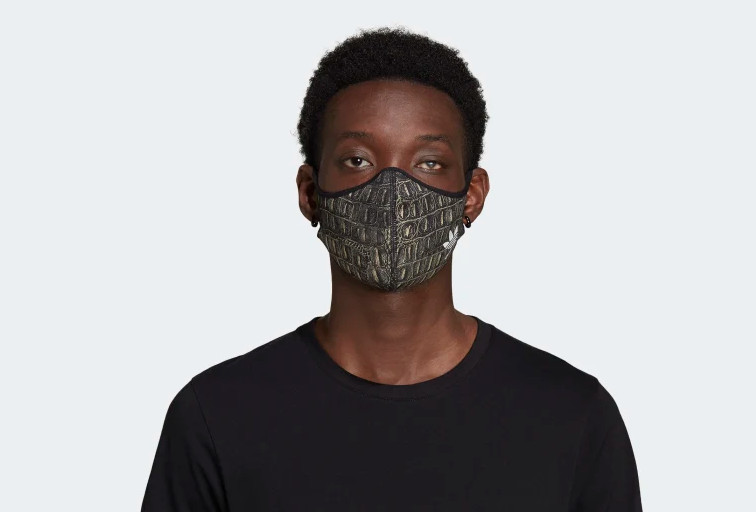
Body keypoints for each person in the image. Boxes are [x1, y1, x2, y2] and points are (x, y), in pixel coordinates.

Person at [141, 26, 643, 511]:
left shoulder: (572, 416)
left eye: (429, 162)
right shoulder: (218, 415)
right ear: (311, 193)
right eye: (358, 160)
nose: (394, 193)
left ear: (471, 196)